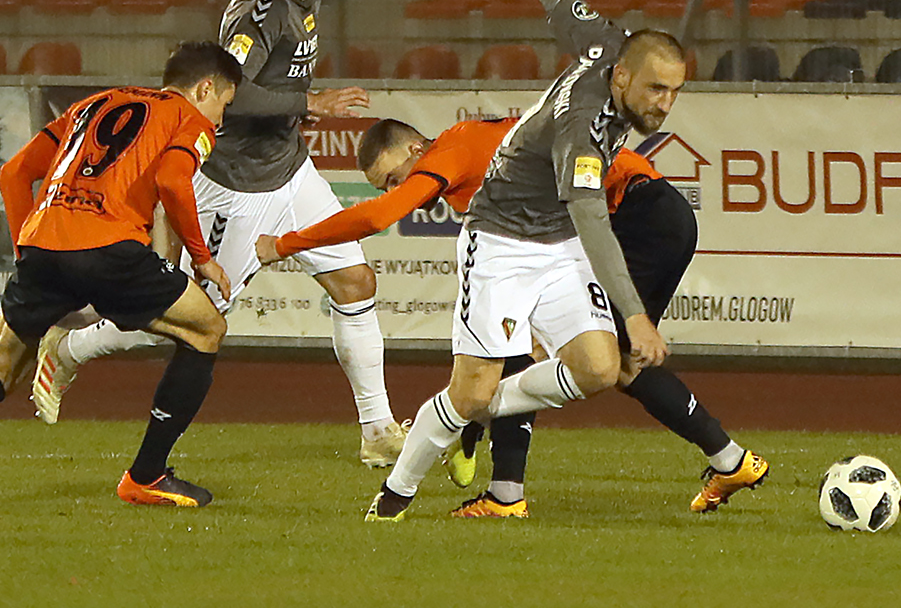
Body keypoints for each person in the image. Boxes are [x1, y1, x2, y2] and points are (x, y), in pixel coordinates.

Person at [367, 0, 728, 518]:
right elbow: (591, 216)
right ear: (623, 78)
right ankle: (393, 497)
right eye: (655, 90)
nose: (665, 104)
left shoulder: (607, 43)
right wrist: (635, 314)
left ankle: (477, 413)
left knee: (598, 368)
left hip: (554, 242)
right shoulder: (583, 127)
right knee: (471, 389)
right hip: (501, 239)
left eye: (675, 91)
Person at [35, 0, 407, 469]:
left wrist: (295, 113)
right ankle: (69, 349)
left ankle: (377, 430)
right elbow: (233, 89)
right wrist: (310, 101)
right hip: (236, 186)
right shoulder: (260, 6)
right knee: (187, 316)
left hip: (290, 170)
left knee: (356, 282)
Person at [258, 115, 768, 517]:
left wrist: (286, 244)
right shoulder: (476, 145)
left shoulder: (449, 154)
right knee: (580, 357)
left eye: (393, 178)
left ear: (415, 149)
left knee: (618, 365)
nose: (395, 190)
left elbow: (376, 217)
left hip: (631, 215)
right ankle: (502, 482)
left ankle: (487, 466)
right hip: (650, 213)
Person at [0, 43, 243, 511]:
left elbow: (14, 174)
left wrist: (26, 254)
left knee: (1, 366)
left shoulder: (94, 103)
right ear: (205, 88)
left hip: (43, 247)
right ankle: (146, 476)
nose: (221, 117)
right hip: (111, 249)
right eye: (224, 103)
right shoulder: (190, 119)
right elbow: (172, 181)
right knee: (207, 329)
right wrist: (202, 258)